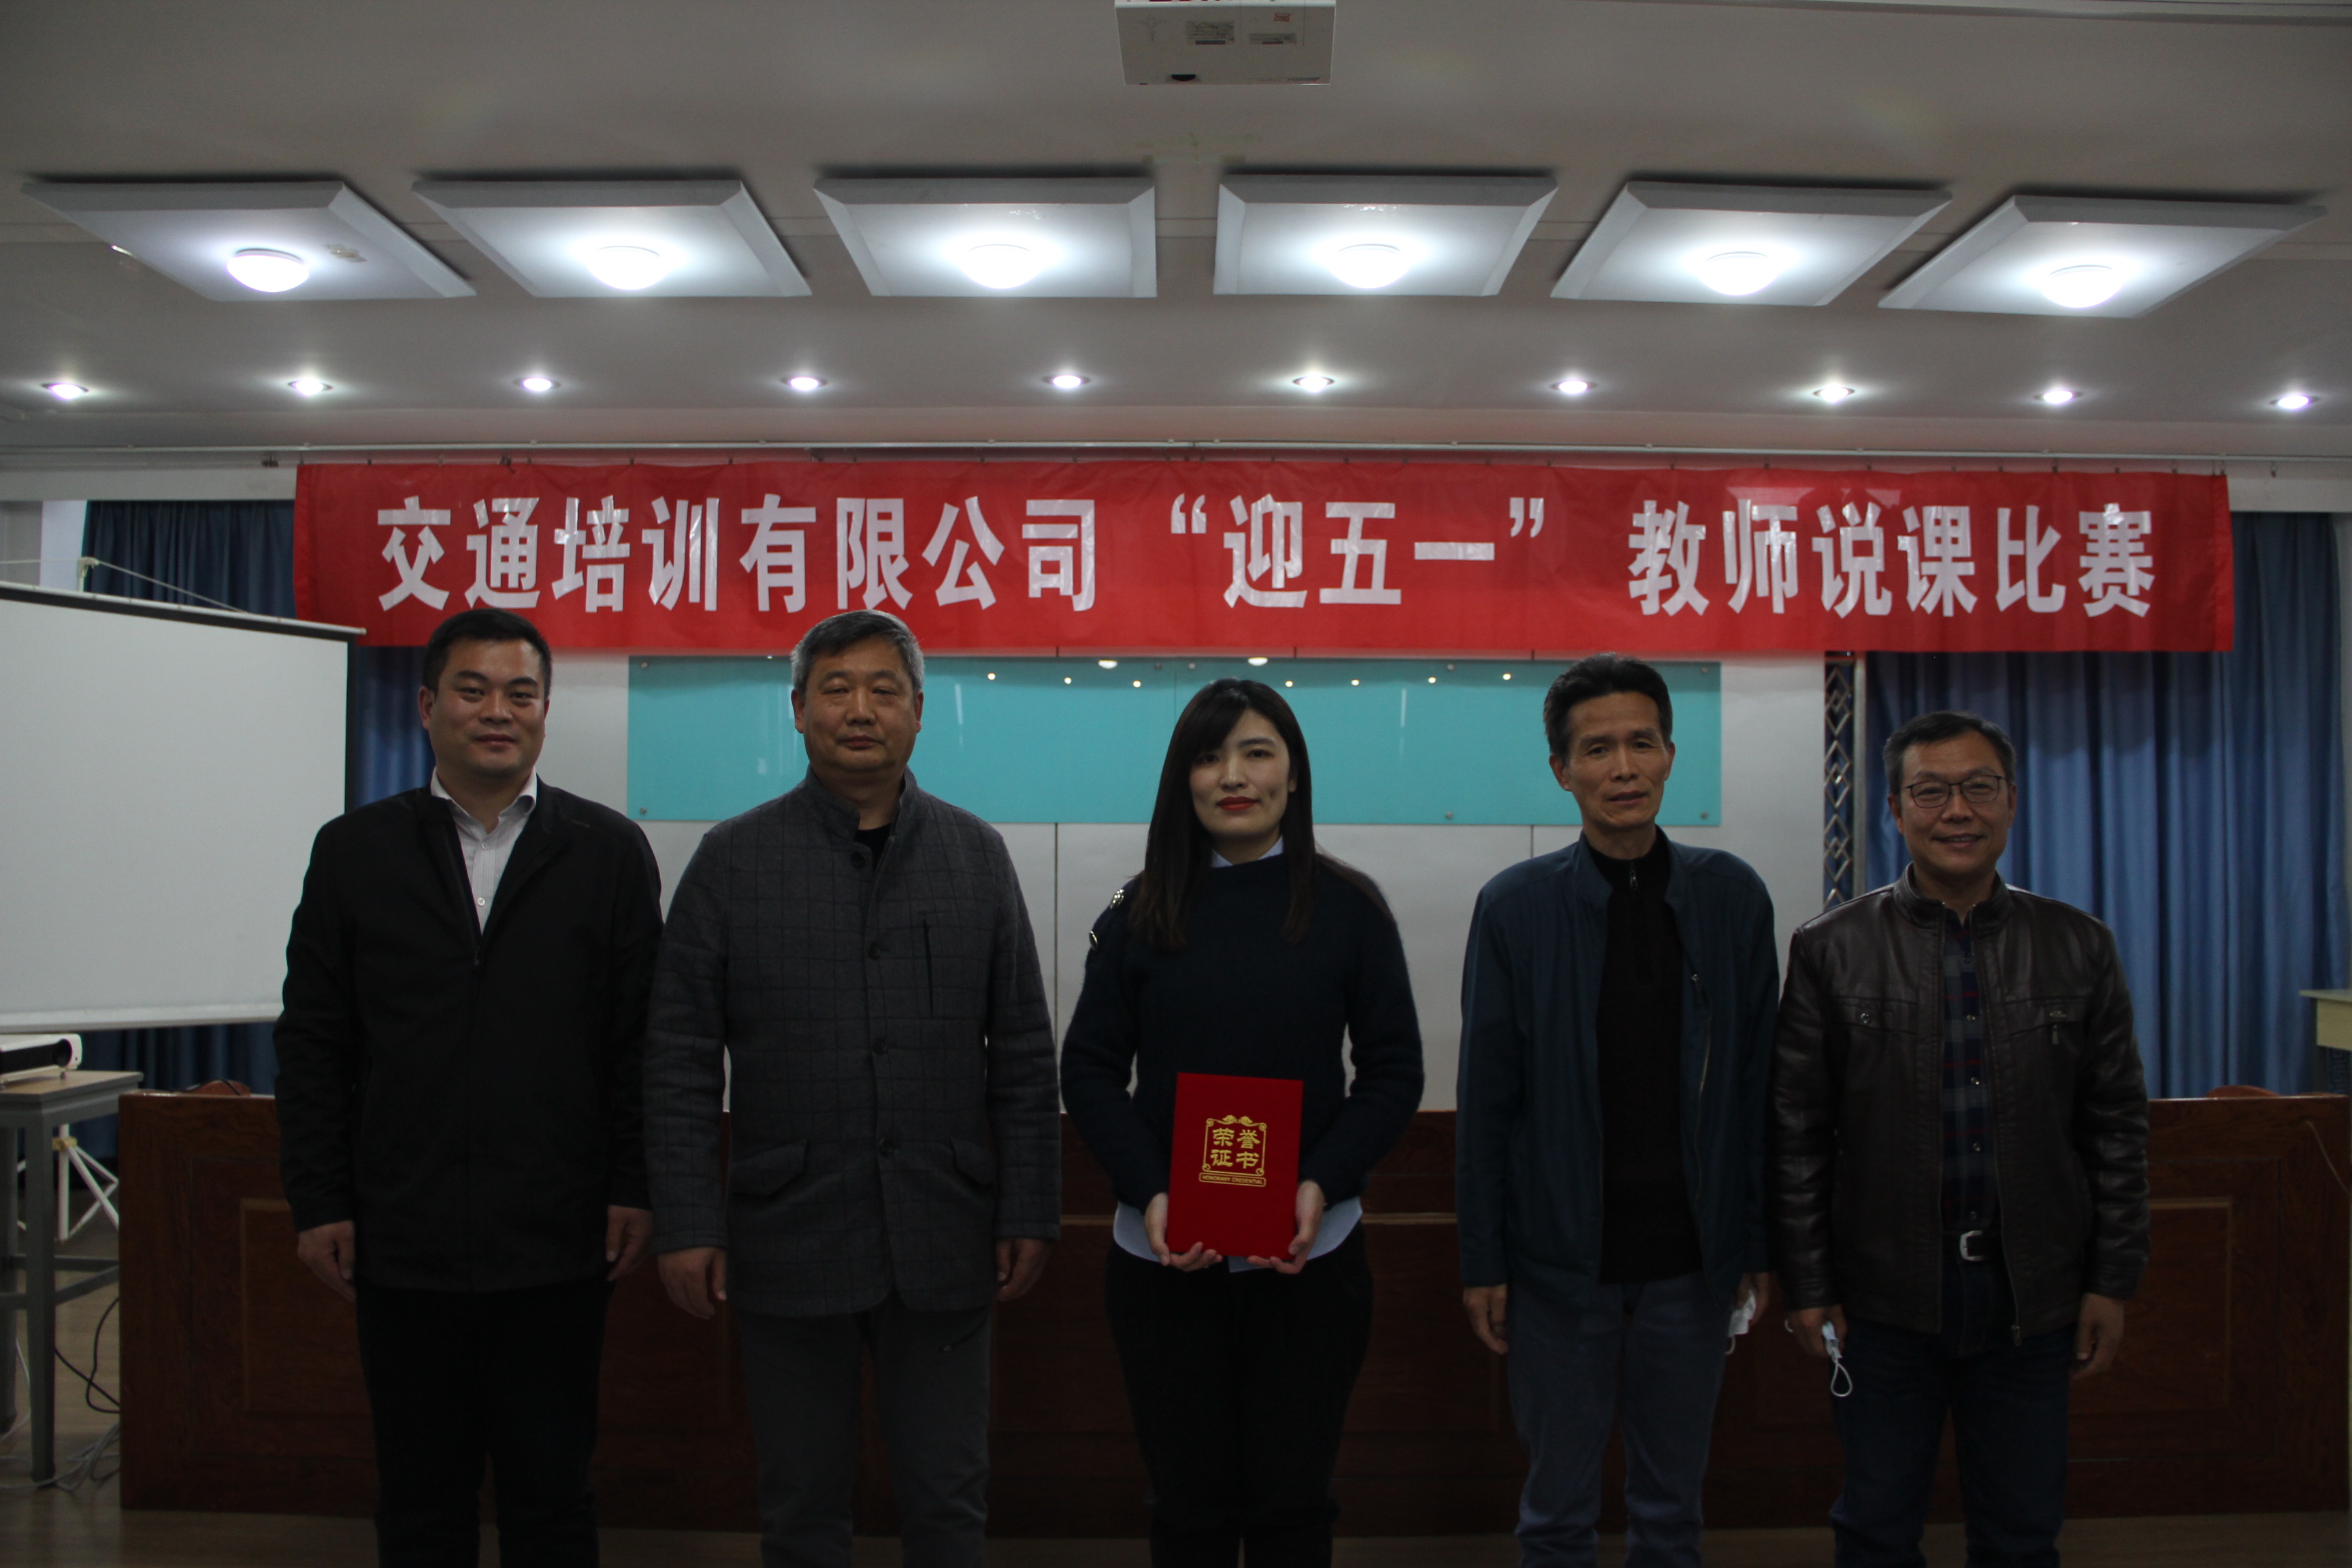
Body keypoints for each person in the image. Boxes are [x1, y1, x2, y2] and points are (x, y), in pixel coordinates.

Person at [643, 608, 1059, 1568]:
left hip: (945, 1230)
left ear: (919, 710)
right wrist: (689, 1222)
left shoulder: (975, 855)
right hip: (789, 1232)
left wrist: (1029, 1208)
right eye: (836, 689)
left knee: (949, 1501)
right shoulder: (733, 860)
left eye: (883, 690)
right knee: (801, 1507)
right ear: (797, 710)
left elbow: (1023, 1052)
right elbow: (677, 1057)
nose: (860, 710)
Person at [276, 607, 663, 1568]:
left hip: (558, 1239)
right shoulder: (354, 850)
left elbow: (639, 1043)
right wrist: (319, 1200)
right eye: (474, 690)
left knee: (552, 1495)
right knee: (420, 1499)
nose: (498, 711)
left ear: (545, 711)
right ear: (427, 706)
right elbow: (316, 1042)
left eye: (520, 693)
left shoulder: (607, 850)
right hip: (401, 1236)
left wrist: (633, 1184)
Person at [1772, 708, 2151, 1568]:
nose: (1957, 811)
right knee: (1875, 1528)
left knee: (2021, 1533)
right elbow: (1797, 1135)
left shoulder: (2079, 945)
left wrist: (2112, 1279)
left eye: (1978, 788)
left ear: (2011, 801)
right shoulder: (1830, 949)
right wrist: (1810, 1284)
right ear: (1895, 810)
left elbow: (2116, 1127)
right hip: (1880, 1301)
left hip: (2031, 1299)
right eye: (1931, 791)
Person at [1060, 677, 1424, 1568]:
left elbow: (1392, 1073)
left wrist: (1319, 1183)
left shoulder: (1351, 910)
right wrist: (1152, 1191)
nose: (1233, 775)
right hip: (1163, 1260)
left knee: (1294, 1505)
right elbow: (1090, 1070)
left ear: (1293, 776)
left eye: (1257, 753)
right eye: (1209, 756)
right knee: (1187, 1508)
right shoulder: (1136, 912)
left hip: (1311, 1259)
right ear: (1182, 779)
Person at [1455, 653, 1780, 1568]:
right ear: (1562, 770)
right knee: (1556, 1514)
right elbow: (1487, 1103)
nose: (1624, 767)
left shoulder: (1731, 897)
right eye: (1598, 749)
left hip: (1693, 1263)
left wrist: (1759, 1244)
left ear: (1672, 754)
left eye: (1642, 743)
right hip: (1559, 1268)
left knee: (1672, 1511)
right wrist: (1483, 1260)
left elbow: (1758, 1086)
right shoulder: (1516, 909)